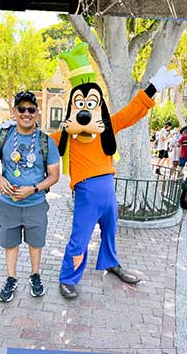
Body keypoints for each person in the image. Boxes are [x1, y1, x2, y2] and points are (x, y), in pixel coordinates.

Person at [51, 44, 182, 300]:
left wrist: (154, 86)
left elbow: (132, 112)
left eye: (92, 103)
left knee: (110, 232)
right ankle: (68, 278)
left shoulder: (107, 128)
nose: (87, 110)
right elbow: (40, 142)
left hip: (108, 190)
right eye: (81, 104)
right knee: (79, 239)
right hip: (86, 193)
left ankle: (111, 263)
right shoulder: (67, 135)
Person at [0, 91, 60, 303]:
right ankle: (11, 278)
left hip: (35, 203)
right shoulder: (3, 135)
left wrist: (34, 189)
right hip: (8, 203)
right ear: (14, 111)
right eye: (21, 109)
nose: (26, 113)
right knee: (10, 244)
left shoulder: (46, 142)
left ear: (37, 113)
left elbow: (54, 175)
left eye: (31, 109)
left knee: (35, 243)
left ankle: (35, 275)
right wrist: (0, 180)